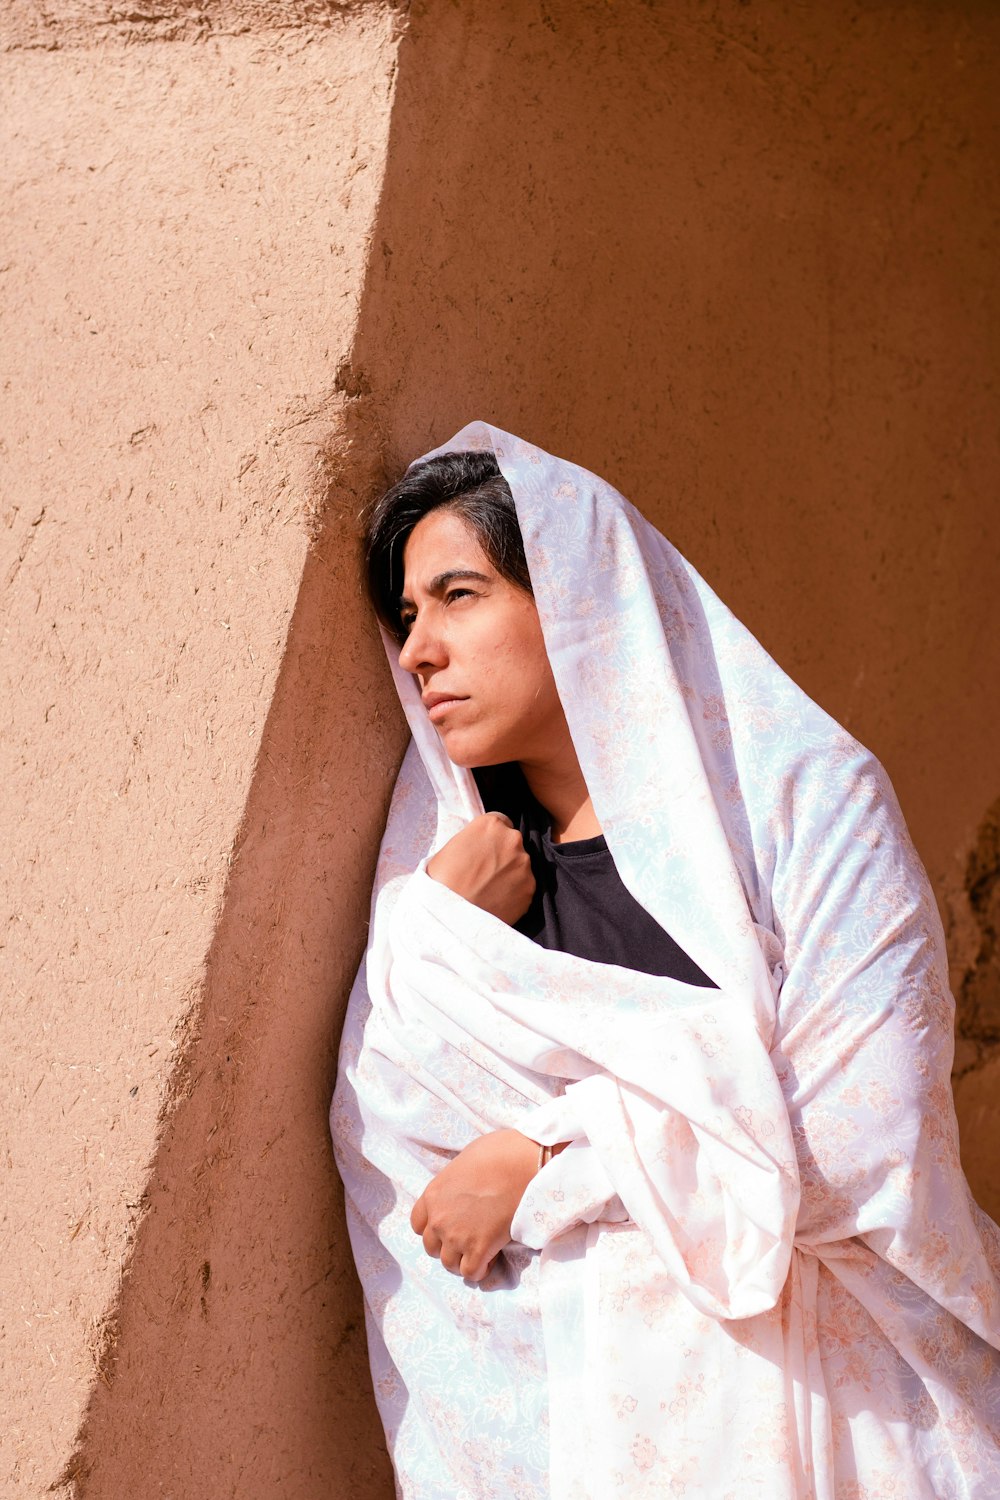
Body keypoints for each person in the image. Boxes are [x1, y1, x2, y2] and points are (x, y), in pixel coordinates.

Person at [331, 422, 1000, 1500]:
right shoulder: (445, 915)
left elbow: (861, 1142)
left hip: (858, 1427)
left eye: (459, 595)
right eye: (406, 617)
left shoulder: (804, 809)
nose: (417, 650)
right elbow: (417, 1195)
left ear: (579, 591)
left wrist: (545, 1153)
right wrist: (435, 931)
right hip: (597, 1451)